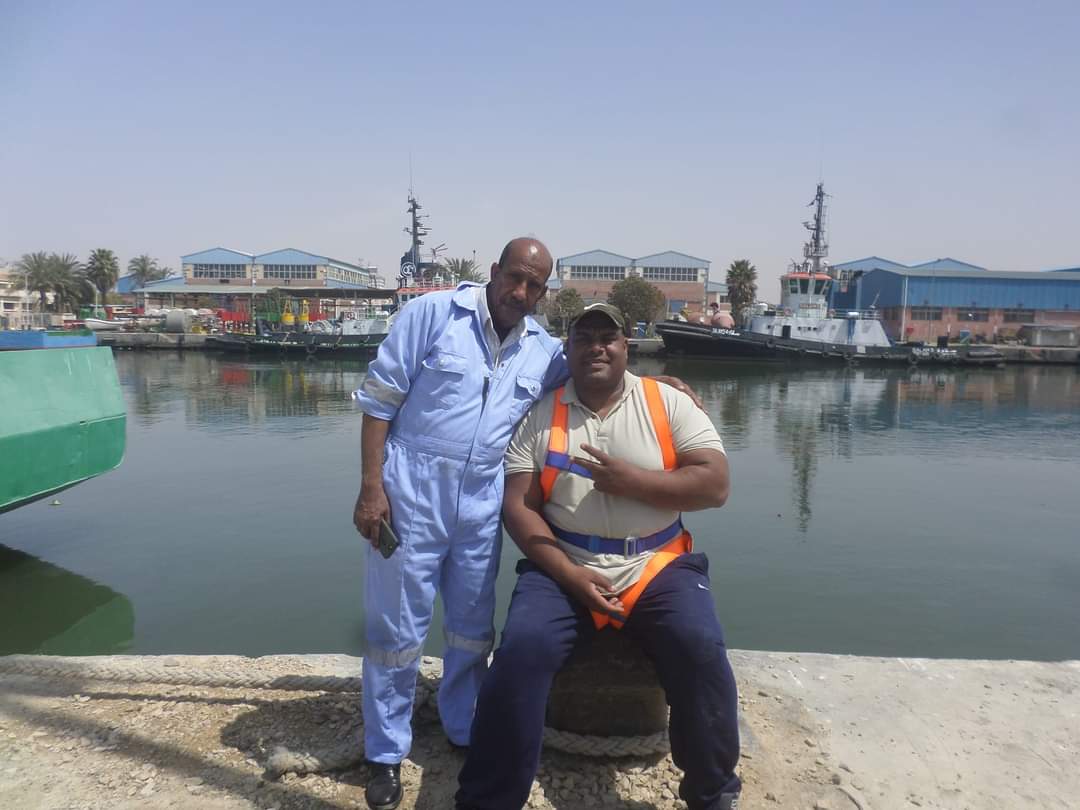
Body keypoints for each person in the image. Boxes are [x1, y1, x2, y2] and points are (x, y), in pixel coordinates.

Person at [351, 240, 698, 810]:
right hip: (412, 488)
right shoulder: (432, 315)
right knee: (396, 626)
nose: (521, 292)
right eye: (515, 278)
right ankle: (385, 750)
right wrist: (372, 489)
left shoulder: (542, 349)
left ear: (544, 291)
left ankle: (464, 726)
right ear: (495, 272)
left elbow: (599, 371)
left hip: (484, 498)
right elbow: (379, 403)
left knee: (471, 623)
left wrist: (663, 387)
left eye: (535, 285)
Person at [456, 303, 742, 810]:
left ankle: (714, 794)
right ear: (567, 349)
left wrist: (634, 482)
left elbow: (715, 486)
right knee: (521, 651)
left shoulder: (667, 402)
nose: (597, 347)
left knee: (699, 646)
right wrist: (570, 575)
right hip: (563, 562)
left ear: (626, 346)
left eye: (608, 338)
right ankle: (487, 799)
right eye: (584, 337)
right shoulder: (540, 414)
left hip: (658, 563)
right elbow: (519, 507)